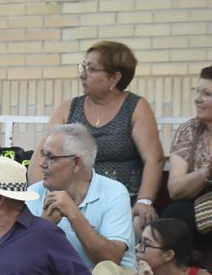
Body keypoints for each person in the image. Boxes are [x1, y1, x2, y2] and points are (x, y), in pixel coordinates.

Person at [46, 40, 165, 212]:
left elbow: (154, 159)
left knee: (140, 222)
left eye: (91, 69)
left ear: (115, 78)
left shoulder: (135, 107)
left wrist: (144, 201)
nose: (82, 75)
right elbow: (42, 153)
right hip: (71, 200)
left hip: (122, 203)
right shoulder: (69, 108)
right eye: (83, 67)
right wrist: (39, 195)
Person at [26, 124, 136, 275]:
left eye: (51, 157)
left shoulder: (114, 193)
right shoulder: (34, 193)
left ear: (76, 163)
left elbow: (110, 260)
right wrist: (45, 225)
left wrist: (73, 213)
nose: (42, 163)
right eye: (43, 154)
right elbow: (21, 257)